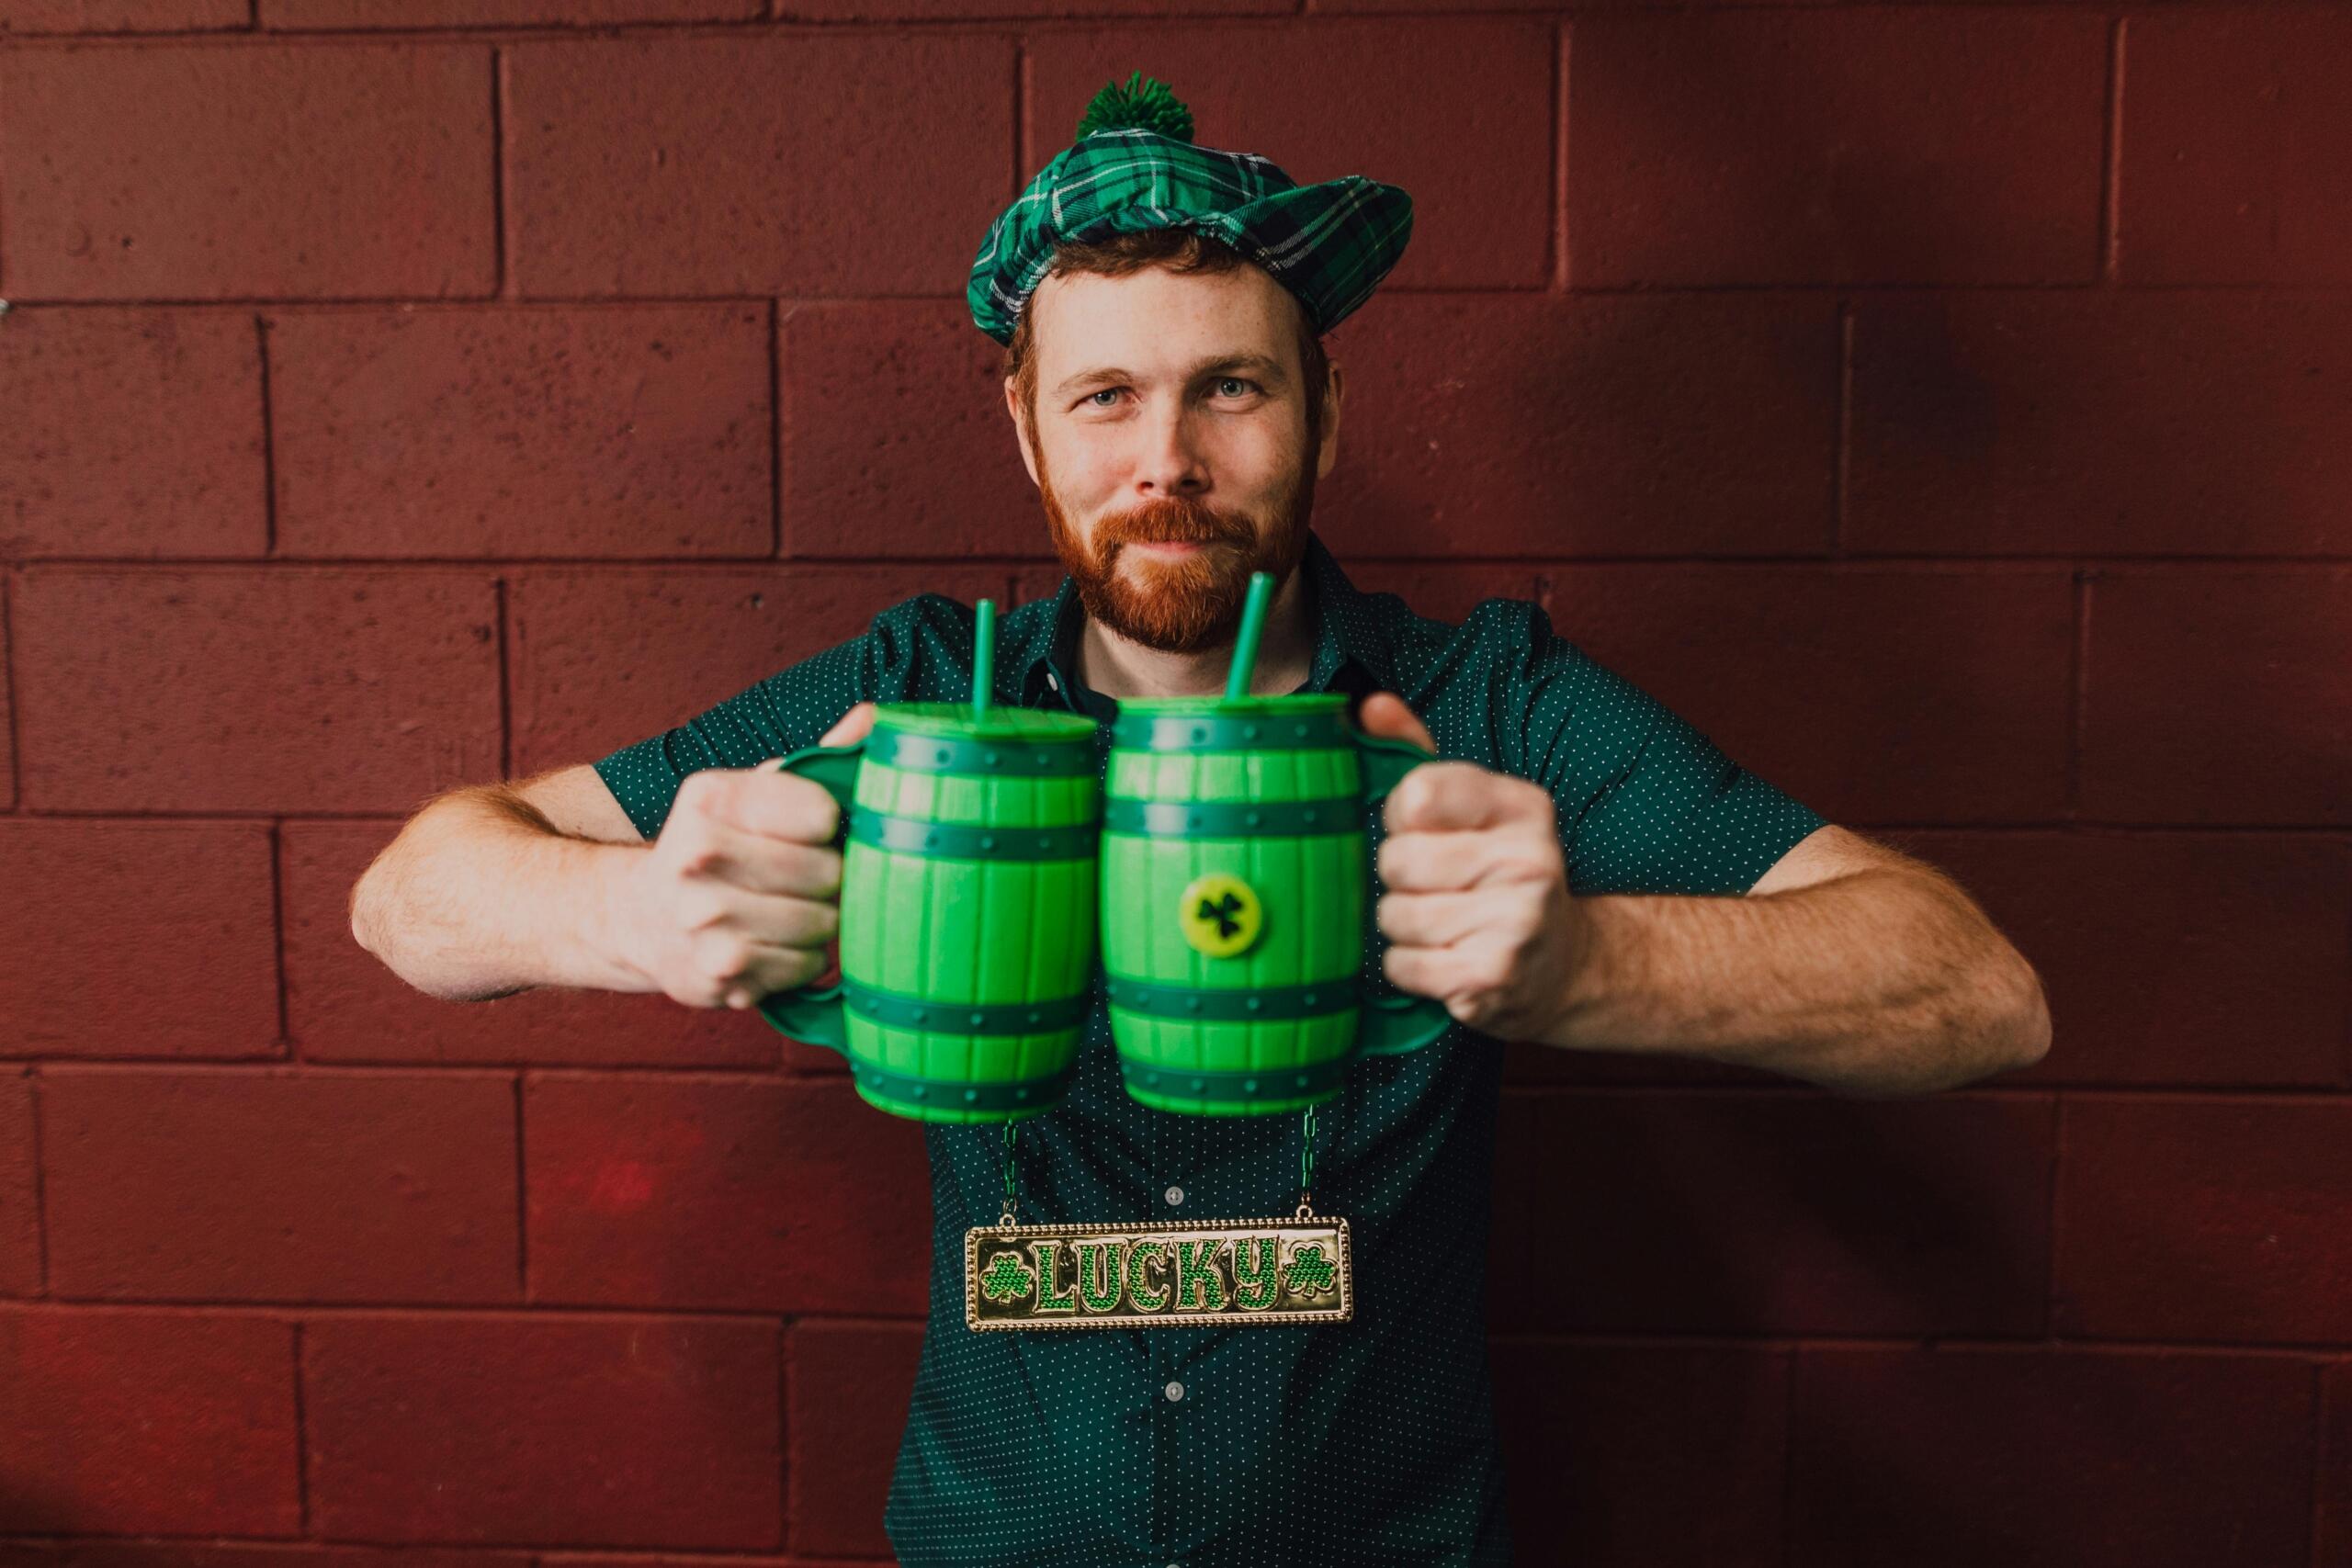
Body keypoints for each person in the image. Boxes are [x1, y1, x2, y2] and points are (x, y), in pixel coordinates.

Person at [353, 73, 2050, 1568]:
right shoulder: (916, 696)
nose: (1166, 458)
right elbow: (412, 899)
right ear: (1027, 429)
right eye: (1103, 397)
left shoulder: (1485, 705)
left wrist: (1583, 965)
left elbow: (1979, 994)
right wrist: (640, 914)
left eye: (1230, 388)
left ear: (1326, 412)